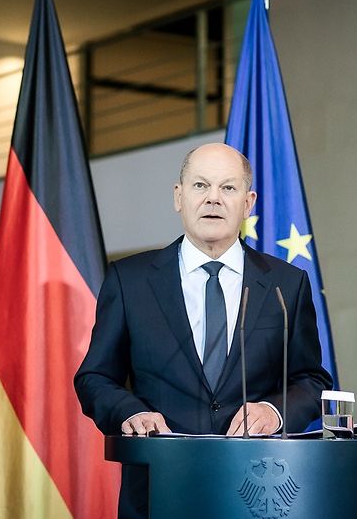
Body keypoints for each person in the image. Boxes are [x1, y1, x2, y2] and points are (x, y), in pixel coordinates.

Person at [74, 142, 332, 518]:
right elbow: (94, 376)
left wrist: (273, 411)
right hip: (159, 490)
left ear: (248, 202)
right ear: (178, 197)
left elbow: (311, 378)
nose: (213, 199)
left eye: (228, 188)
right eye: (200, 186)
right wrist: (130, 413)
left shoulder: (287, 283)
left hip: (258, 493)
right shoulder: (129, 280)